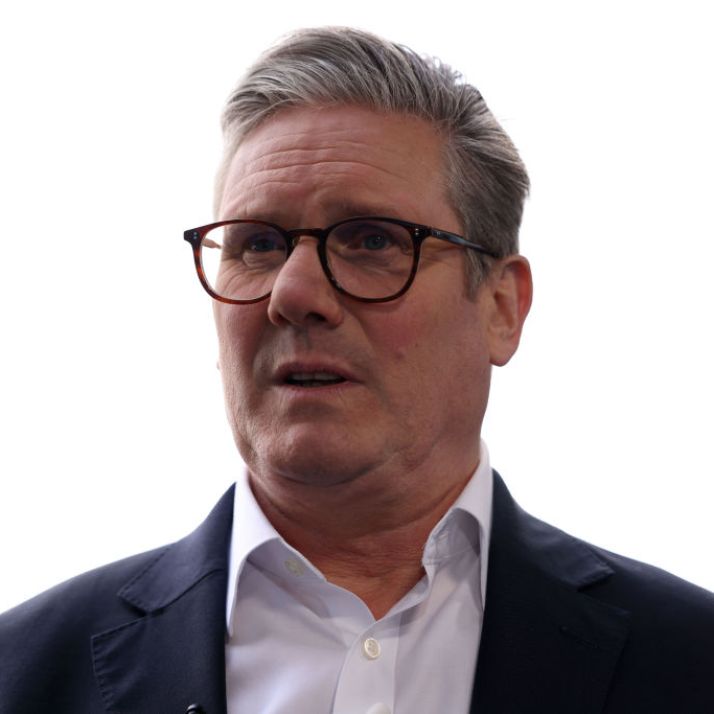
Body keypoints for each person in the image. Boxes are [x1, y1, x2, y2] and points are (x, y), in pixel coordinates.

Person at [1, 26, 713, 714]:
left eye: (372, 241)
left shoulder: (689, 662)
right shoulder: (22, 675)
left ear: (502, 307)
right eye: (257, 244)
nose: (293, 294)